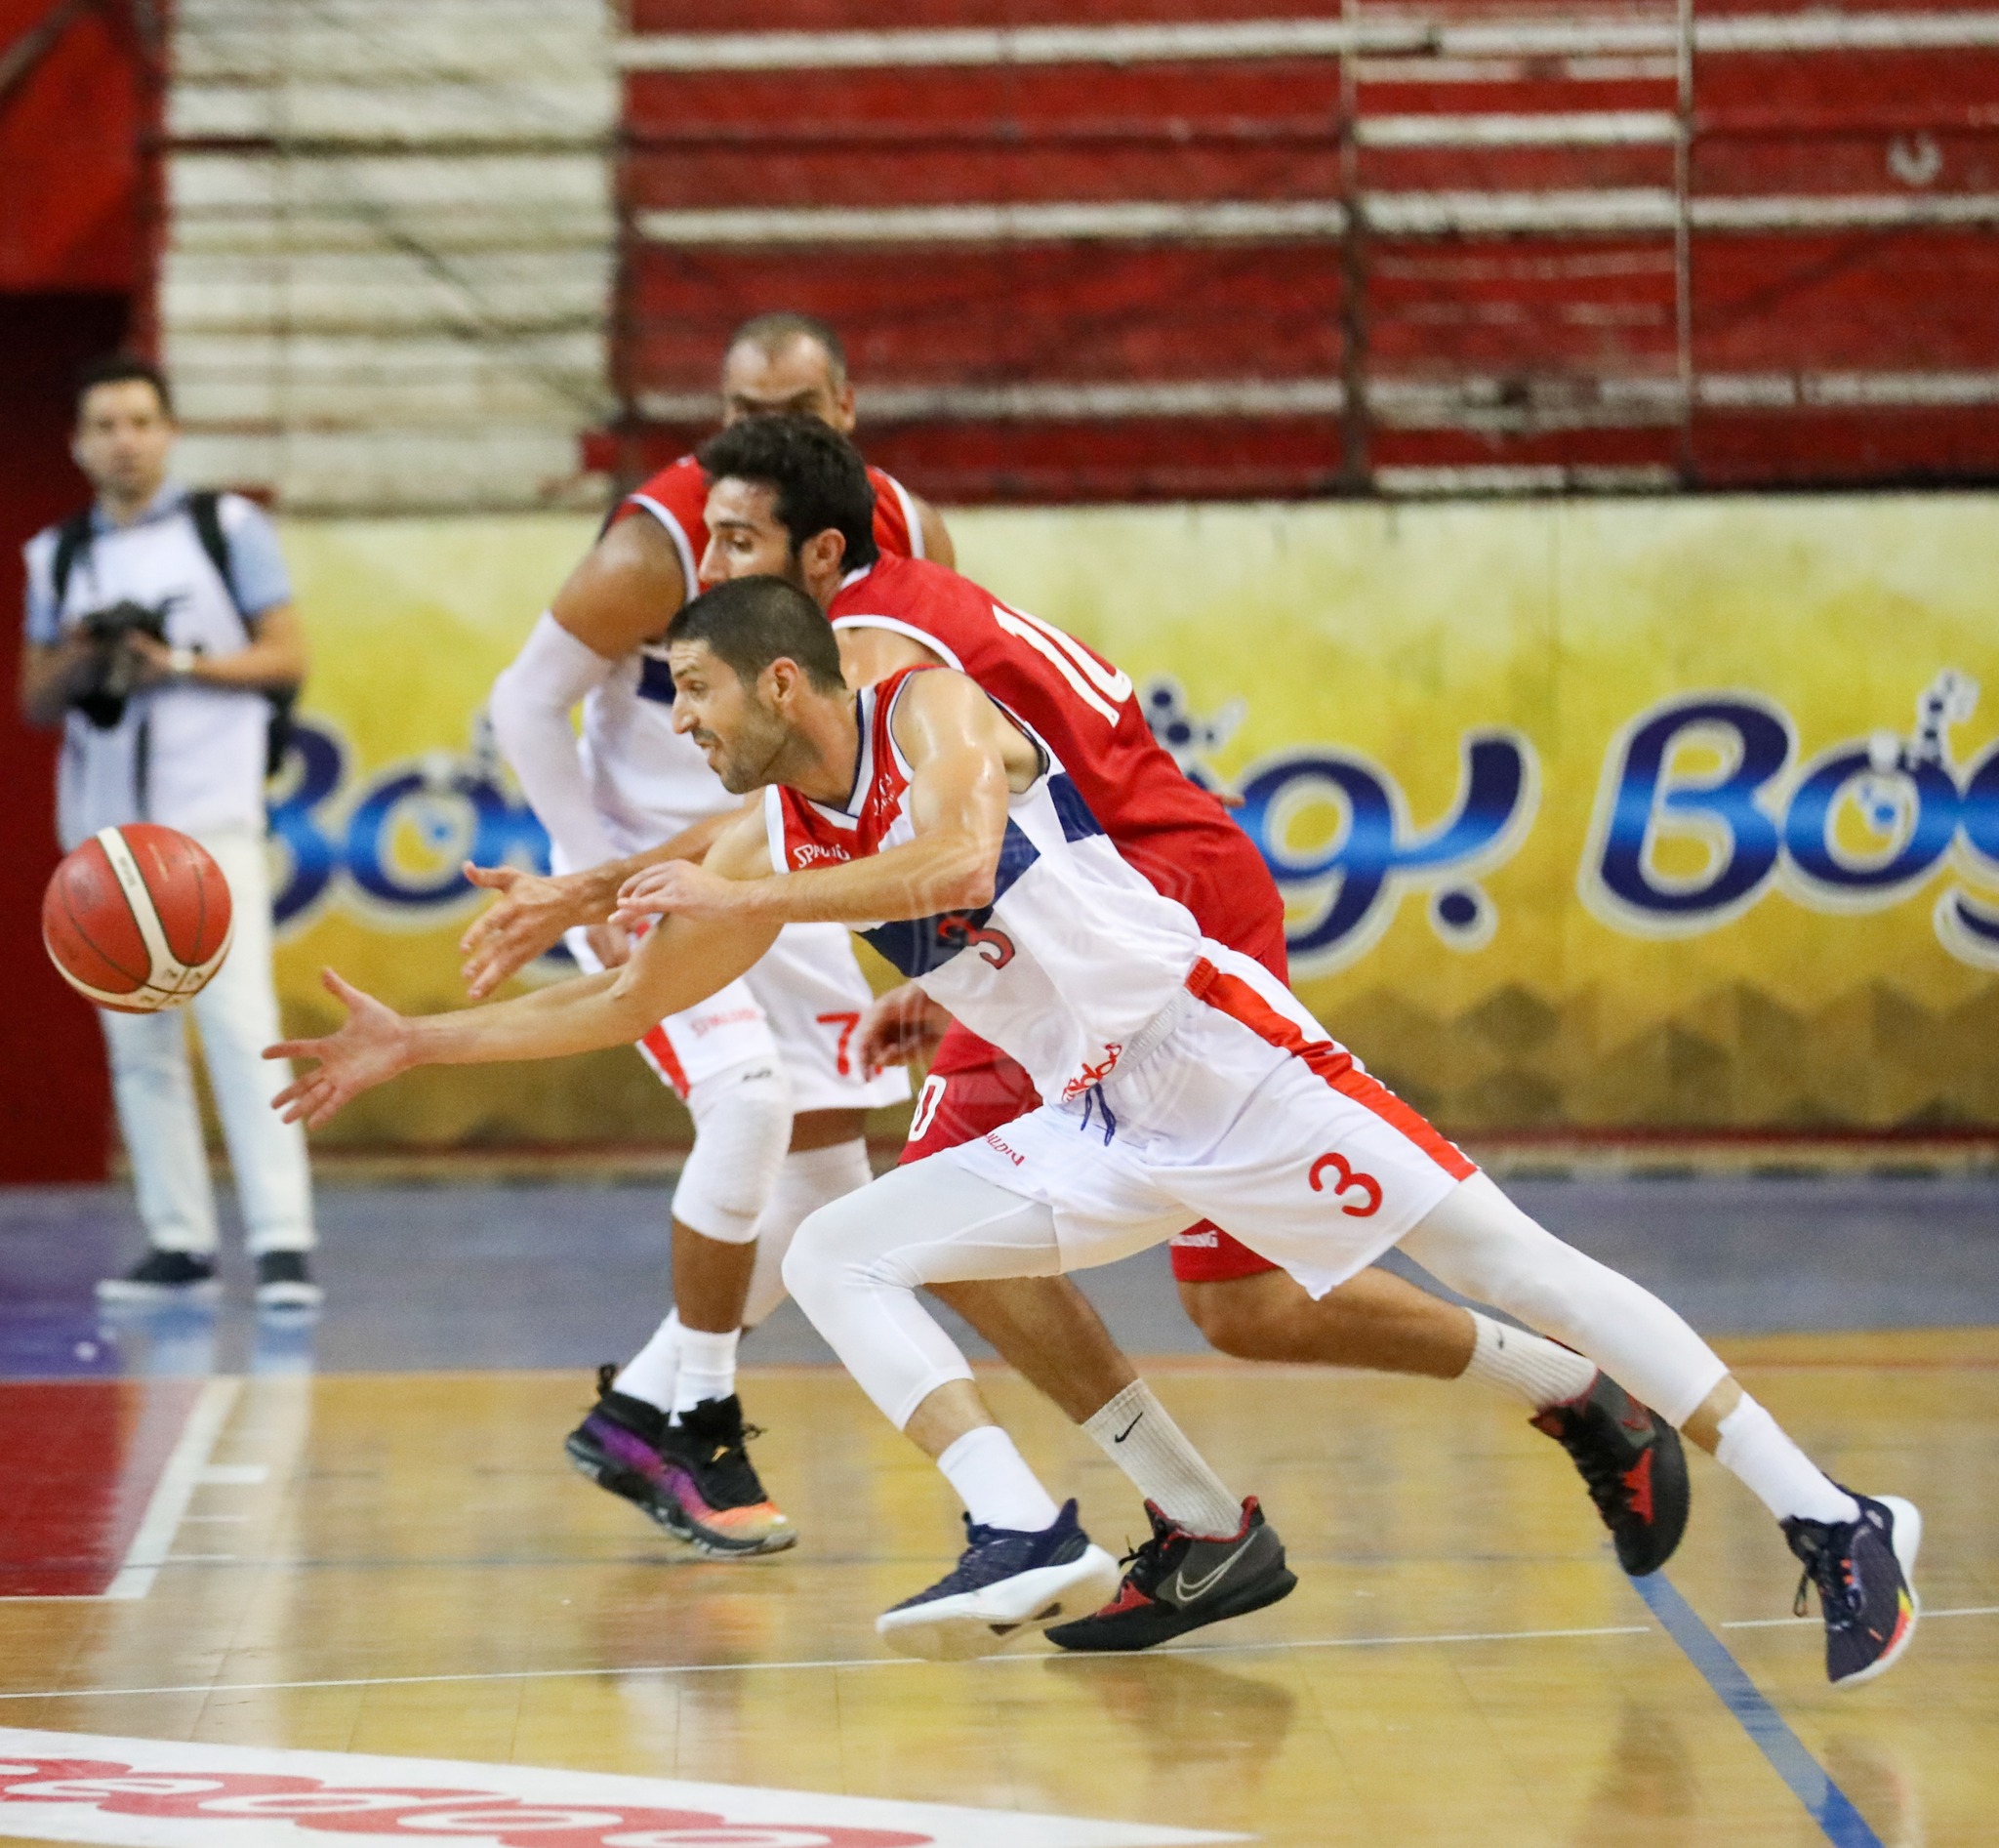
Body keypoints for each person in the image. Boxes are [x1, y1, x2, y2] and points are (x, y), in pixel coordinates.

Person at [270, 577, 1920, 1687]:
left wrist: (742, 891)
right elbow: (622, 1002)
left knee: (1516, 1261)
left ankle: (1831, 1513)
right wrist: (418, 1042)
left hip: (1228, 1057)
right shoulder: (770, 819)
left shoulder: (919, 699)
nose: (679, 720)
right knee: (845, 1240)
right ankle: (1018, 1516)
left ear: (782, 674)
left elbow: (951, 861)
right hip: (1103, 1119)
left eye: (692, 691)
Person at [475, 416, 1693, 1649]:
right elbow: (850, 830)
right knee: (945, 1232)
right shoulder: (889, 600)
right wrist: (951, 965)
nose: (712, 562)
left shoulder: (871, 639)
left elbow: (884, 843)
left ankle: (1576, 1396)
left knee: (1239, 1307)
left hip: (1152, 919)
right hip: (1048, 932)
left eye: (737, 537)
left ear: (822, 548)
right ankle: (1197, 1520)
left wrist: (602, 892)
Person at [480, 312, 923, 1556]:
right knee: (743, 1102)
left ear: (846, 403)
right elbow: (524, 704)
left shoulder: (903, 530)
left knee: (833, 1183)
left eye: (788, 406)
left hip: (780, 868)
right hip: (646, 874)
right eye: (736, 408)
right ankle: (700, 1423)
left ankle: (636, 1408)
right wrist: (585, 874)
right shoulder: (665, 537)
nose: (759, 433)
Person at [19, 354, 318, 1309]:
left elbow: (286, 657)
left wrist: (176, 661)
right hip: (103, 841)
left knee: (240, 1027)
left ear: (168, 431)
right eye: (103, 425)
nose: (123, 440)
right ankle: (177, 1241)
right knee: (137, 1046)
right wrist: (85, 655)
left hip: (207, 826)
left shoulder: (222, 528)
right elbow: (32, 700)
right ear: (79, 443)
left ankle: (281, 1243)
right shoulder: (55, 556)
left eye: (139, 421)